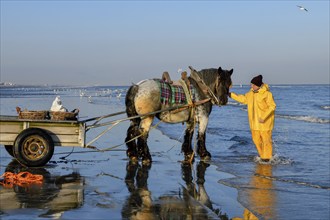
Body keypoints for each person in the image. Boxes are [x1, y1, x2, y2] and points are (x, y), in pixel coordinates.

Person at [229, 75, 276, 162]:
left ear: (258, 85)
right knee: (256, 140)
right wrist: (230, 95)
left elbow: (272, 106)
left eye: (253, 85)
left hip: (265, 123)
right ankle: (263, 156)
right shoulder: (250, 94)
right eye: (251, 84)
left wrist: (264, 117)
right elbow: (242, 99)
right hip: (254, 123)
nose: (251, 86)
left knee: (266, 141)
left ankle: (267, 158)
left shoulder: (267, 94)